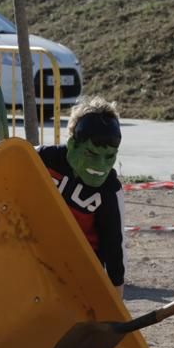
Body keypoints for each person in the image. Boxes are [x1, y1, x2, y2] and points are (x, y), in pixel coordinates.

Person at [37, 97, 126, 296]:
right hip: (34, 254)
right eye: (92, 154)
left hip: (79, 271)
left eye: (109, 156)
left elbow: (114, 247)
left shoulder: (109, 191)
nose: (100, 165)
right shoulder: (42, 160)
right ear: (72, 145)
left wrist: (116, 302)